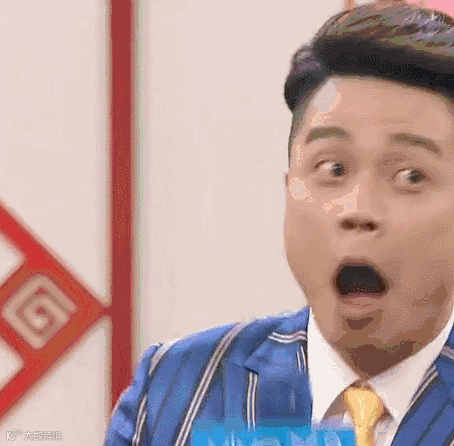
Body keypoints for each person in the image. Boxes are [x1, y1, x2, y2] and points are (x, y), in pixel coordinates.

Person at [104, 2, 454, 445]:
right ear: (289, 187)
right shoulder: (177, 387)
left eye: (411, 176)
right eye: (333, 169)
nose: (357, 210)